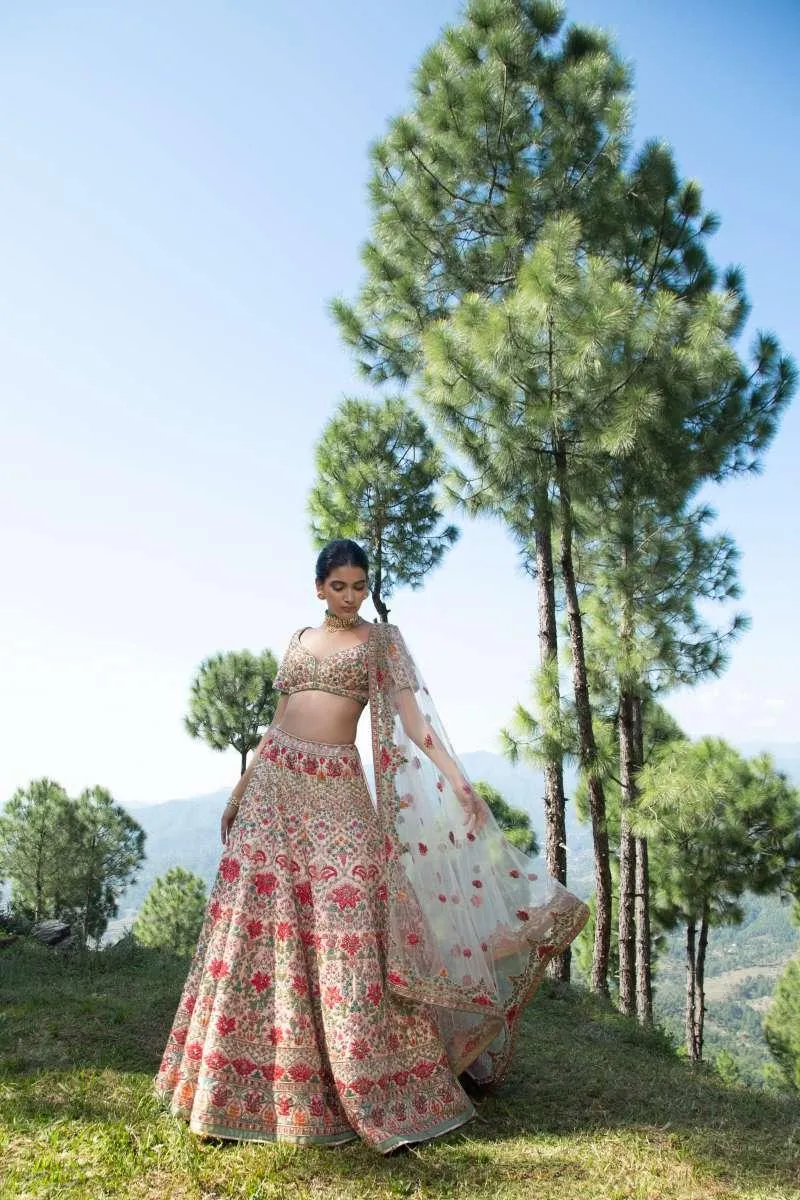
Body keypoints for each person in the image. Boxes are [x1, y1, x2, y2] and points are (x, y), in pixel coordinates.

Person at [155, 538, 588, 1153]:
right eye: (339, 586)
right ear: (318, 587)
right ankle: (239, 1081)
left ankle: (367, 1070)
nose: (351, 597)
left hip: (335, 785)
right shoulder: (297, 640)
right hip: (275, 783)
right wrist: (243, 784)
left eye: (360, 585)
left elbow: (415, 726)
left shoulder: (382, 642)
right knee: (258, 921)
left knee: (350, 918)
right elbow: (277, 722)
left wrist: (462, 784)